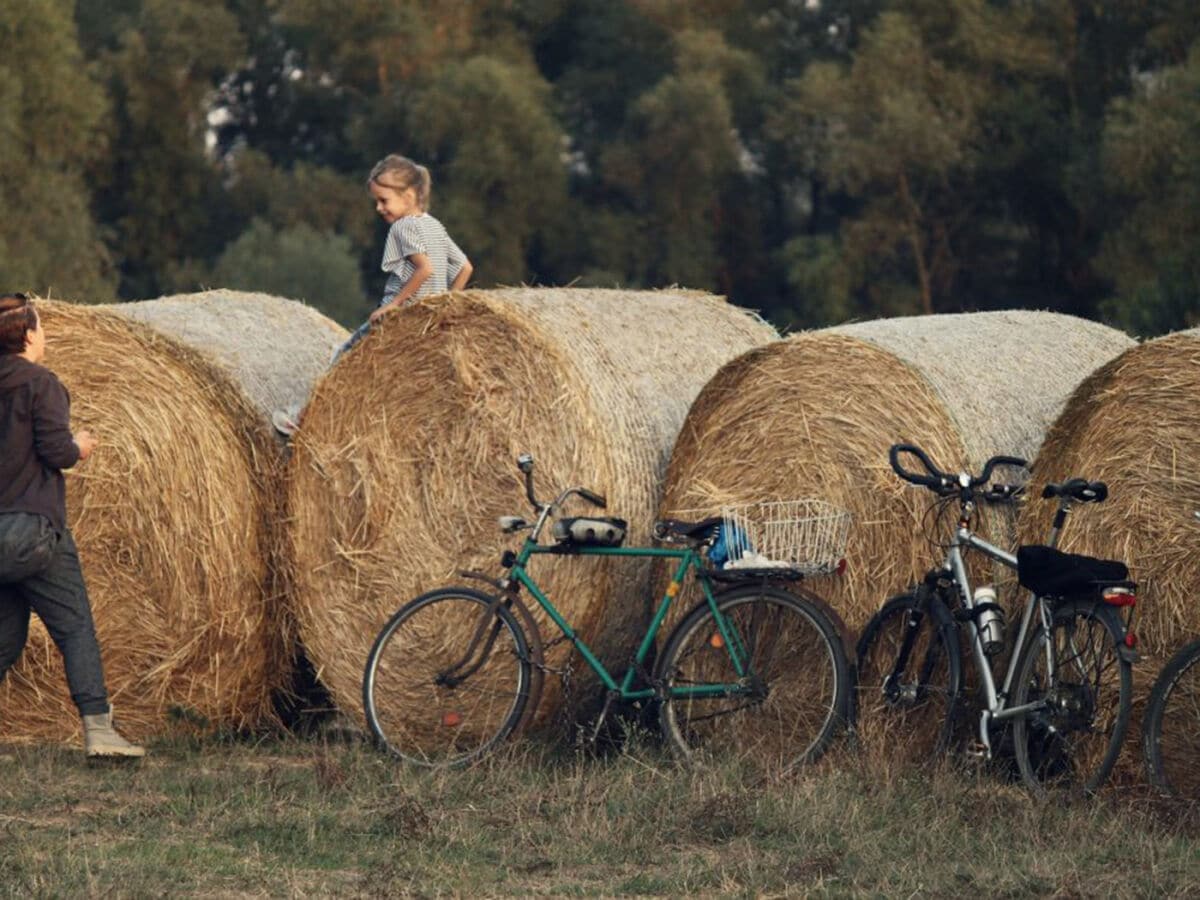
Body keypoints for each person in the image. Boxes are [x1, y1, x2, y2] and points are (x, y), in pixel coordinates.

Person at [0, 293, 144, 759]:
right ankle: (100, 731)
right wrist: (80, 444)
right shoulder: (41, 383)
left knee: (4, 637)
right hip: (35, 534)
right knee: (75, 627)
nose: (46, 336)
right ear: (26, 335)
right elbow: (58, 453)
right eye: (40, 328)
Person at [272, 155, 473, 435]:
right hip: (426, 320)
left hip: (401, 317)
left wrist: (393, 305)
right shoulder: (433, 226)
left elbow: (424, 269)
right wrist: (445, 304)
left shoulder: (403, 228)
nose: (379, 208)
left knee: (343, 357)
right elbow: (465, 267)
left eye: (384, 200)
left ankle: (302, 419)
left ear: (409, 195)